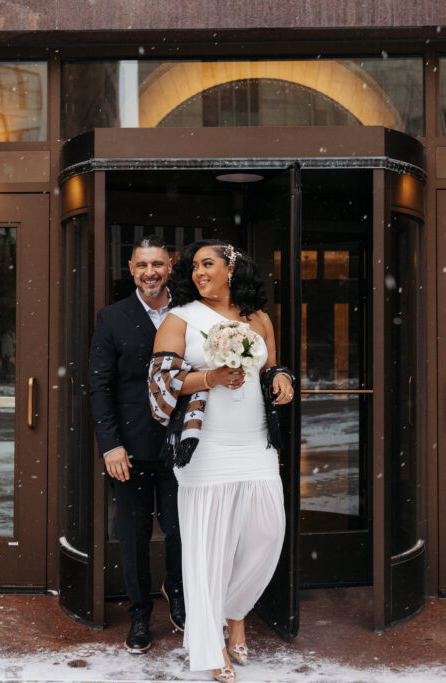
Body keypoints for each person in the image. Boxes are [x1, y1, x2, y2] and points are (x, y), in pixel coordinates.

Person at [148, 239, 294, 682]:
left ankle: (235, 612)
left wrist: (283, 379)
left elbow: (272, 367)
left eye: (207, 264)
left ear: (232, 269)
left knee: (267, 535)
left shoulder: (259, 319)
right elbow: (159, 384)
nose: (198, 273)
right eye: (194, 267)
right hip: (205, 447)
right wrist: (210, 376)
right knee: (209, 549)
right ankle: (212, 645)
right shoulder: (181, 319)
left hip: (255, 445)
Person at [89, 236, 185, 653]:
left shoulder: (189, 313)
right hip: (129, 448)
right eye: (142, 265)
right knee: (134, 535)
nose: (150, 272)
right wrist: (111, 445)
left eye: (158, 264)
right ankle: (141, 615)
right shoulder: (112, 318)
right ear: (131, 268)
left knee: (183, 531)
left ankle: (180, 601)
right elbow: (99, 385)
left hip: (183, 444)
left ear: (171, 266)